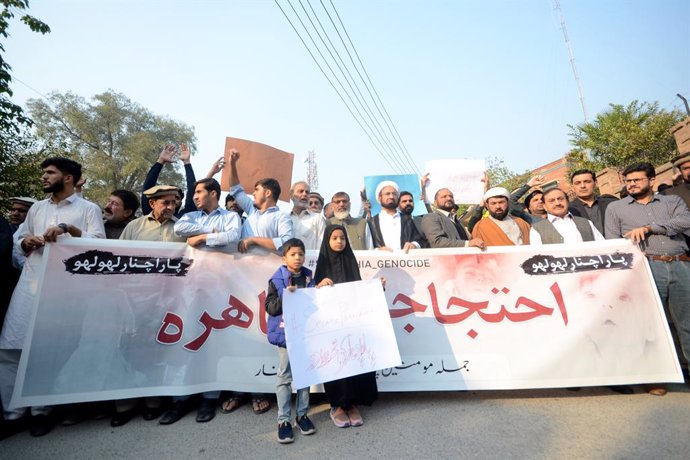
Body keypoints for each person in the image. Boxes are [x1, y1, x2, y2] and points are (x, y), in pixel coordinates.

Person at [0, 157, 105, 437]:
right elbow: (16, 244)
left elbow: (100, 248)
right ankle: (12, 415)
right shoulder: (36, 208)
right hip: (30, 284)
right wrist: (26, 242)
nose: (44, 177)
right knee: (12, 348)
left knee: (48, 351)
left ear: (68, 178)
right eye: (44, 173)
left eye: (50, 173)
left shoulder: (88, 209)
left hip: (64, 290)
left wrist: (69, 231)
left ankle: (40, 412)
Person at [605, 162, 690, 396]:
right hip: (646, 268)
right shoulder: (616, 208)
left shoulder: (672, 201)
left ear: (651, 180)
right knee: (649, 325)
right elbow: (612, 241)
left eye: (637, 180)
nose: (631, 184)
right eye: (628, 181)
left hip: (681, 263)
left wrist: (651, 227)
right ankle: (654, 377)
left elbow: (686, 222)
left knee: (687, 323)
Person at [167, 178, 242, 424]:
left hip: (220, 286)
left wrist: (201, 239)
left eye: (199, 192)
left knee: (213, 339)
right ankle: (181, 399)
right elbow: (179, 230)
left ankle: (210, 397)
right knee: (188, 337)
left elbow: (233, 235)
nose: (195, 196)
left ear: (213, 193)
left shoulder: (230, 216)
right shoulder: (191, 216)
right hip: (191, 286)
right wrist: (212, 233)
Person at [223, 149, 292, 414]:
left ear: (269, 193)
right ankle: (240, 388)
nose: (253, 193)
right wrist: (232, 163)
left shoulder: (281, 217)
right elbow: (235, 187)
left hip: (269, 284)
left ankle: (261, 391)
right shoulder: (250, 209)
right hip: (242, 280)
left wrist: (252, 240)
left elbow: (284, 244)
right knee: (242, 331)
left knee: (264, 333)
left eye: (258, 189)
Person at [112, 185, 186, 427]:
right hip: (133, 300)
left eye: (173, 202)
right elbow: (119, 258)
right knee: (127, 348)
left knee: (158, 349)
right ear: (152, 203)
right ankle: (125, 404)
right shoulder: (135, 227)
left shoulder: (181, 228)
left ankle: (153, 401)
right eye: (165, 202)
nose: (170, 207)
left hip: (167, 300)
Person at [314, 225, 378, 427]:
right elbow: (312, 296)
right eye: (334, 238)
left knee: (354, 361)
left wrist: (376, 288)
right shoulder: (322, 265)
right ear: (327, 241)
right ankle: (338, 406)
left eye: (342, 238)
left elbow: (359, 289)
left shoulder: (351, 261)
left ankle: (352, 405)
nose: (339, 241)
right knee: (336, 363)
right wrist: (319, 286)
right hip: (331, 326)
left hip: (352, 324)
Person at [265, 238, 317, 443]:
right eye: (293, 254)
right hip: (286, 336)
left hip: (305, 335)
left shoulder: (309, 277)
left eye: (301, 254)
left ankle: (302, 415)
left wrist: (321, 289)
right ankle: (283, 420)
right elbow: (270, 307)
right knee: (285, 377)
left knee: (304, 377)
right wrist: (286, 296)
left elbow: (314, 305)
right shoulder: (277, 280)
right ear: (284, 256)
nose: (297, 258)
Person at [530, 188, 604, 245]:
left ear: (567, 201)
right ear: (545, 206)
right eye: (552, 201)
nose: (557, 203)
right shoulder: (537, 229)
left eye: (560, 199)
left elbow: (602, 246)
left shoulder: (586, 223)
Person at [141, 143, 197, 218]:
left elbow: (192, 191)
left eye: (176, 198)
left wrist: (187, 163)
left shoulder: (183, 219)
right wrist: (160, 161)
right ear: (153, 204)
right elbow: (147, 189)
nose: (172, 201)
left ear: (181, 202)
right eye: (166, 200)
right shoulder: (150, 214)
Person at [368, 181, 426, 252]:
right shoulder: (372, 222)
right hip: (381, 262)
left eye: (394, 194)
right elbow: (366, 246)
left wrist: (413, 245)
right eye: (387, 194)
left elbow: (419, 240)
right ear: (380, 198)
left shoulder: (407, 219)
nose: (391, 196)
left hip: (405, 261)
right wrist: (378, 250)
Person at [568, 169, 618, 235]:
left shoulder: (612, 203)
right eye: (578, 183)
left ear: (595, 183)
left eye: (587, 182)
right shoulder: (568, 211)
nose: (582, 186)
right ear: (573, 187)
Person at [290, 181, 326, 250]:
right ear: (292, 196)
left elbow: (322, 246)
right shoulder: (285, 219)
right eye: (300, 191)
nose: (304, 194)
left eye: (307, 192)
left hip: (312, 260)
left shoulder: (317, 218)